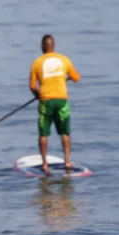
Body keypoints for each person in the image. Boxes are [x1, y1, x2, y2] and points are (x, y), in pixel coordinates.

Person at [29, 34, 81, 175]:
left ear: (42, 47)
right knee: (65, 132)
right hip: (61, 101)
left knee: (43, 133)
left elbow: (33, 86)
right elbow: (76, 77)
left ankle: (44, 164)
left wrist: (37, 96)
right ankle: (67, 161)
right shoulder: (64, 60)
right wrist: (64, 78)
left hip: (45, 101)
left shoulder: (37, 62)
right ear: (54, 46)